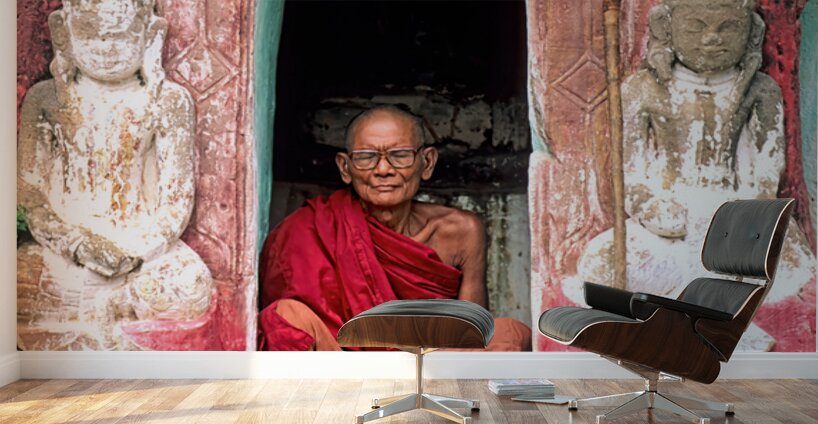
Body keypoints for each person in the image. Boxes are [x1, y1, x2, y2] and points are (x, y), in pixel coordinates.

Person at [16, 0, 214, 350]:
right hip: (65, 253)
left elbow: (175, 202)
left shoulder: (168, 102)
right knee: (11, 278)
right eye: (92, 37)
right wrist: (76, 244)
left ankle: (96, 310)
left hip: (138, 250)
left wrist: (135, 252)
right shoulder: (44, 99)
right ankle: (100, 313)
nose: (106, 50)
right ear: (64, 33)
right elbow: (31, 195)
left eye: (121, 38)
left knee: (191, 284)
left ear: (150, 35)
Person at [258, 105, 531, 351]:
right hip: (340, 367)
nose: (383, 169)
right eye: (366, 157)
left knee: (509, 332)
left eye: (400, 155)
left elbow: (472, 333)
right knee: (286, 315)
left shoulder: (460, 231)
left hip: (433, 363)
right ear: (345, 167)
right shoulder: (309, 229)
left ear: (427, 163)